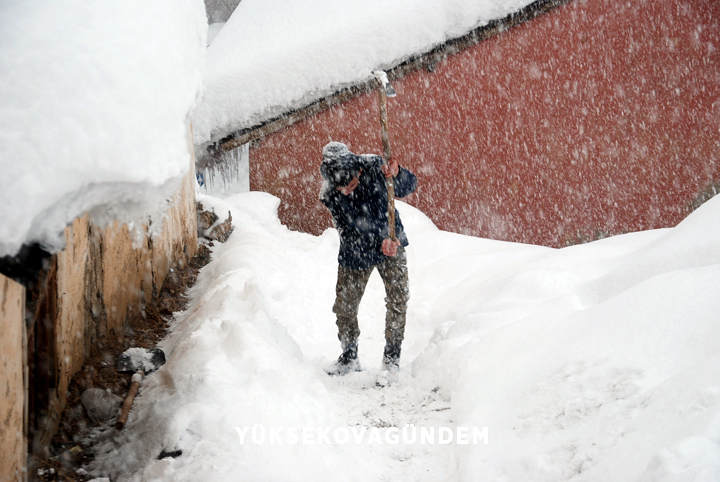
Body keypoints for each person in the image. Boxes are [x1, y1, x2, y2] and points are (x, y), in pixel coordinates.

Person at [319, 141, 417, 385]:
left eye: (350, 186)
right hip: (356, 252)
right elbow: (348, 232)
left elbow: (408, 186)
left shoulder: (375, 166)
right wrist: (377, 244)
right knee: (344, 307)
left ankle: (391, 360)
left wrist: (398, 173)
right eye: (340, 188)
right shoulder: (329, 193)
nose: (345, 192)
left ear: (357, 172)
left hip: (392, 243)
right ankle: (349, 355)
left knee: (397, 300)